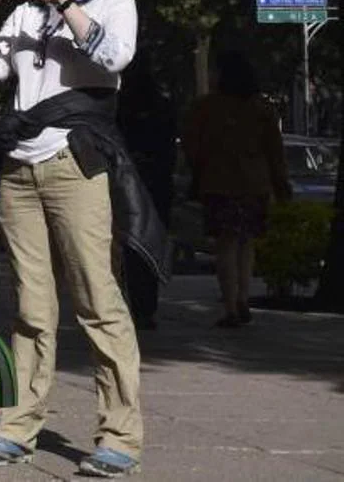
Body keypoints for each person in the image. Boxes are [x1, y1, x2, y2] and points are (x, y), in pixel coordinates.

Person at [0, 0, 152, 478]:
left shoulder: (113, 0)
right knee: (29, 307)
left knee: (98, 299)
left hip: (76, 162)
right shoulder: (23, 16)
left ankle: (119, 436)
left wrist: (64, 1)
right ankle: (17, 426)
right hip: (21, 167)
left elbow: (115, 57)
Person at [182, 50, 291, 327]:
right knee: (247, 243)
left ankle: (230, 303)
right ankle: (244, 295)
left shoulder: (206, 108)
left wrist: (199, 170)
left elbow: (192, 146)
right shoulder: (262, 109)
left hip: (219, 183)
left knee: (225, 244)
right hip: (255, 184)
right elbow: (274, 152)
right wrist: (281, 185)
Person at [116, 50, 176, 329]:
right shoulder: (163, 107)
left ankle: (134, 301)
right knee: (152, 241)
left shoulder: (120, 106)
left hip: (128, 179)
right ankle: (148, 304)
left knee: (130, 244)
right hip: (157, 181)